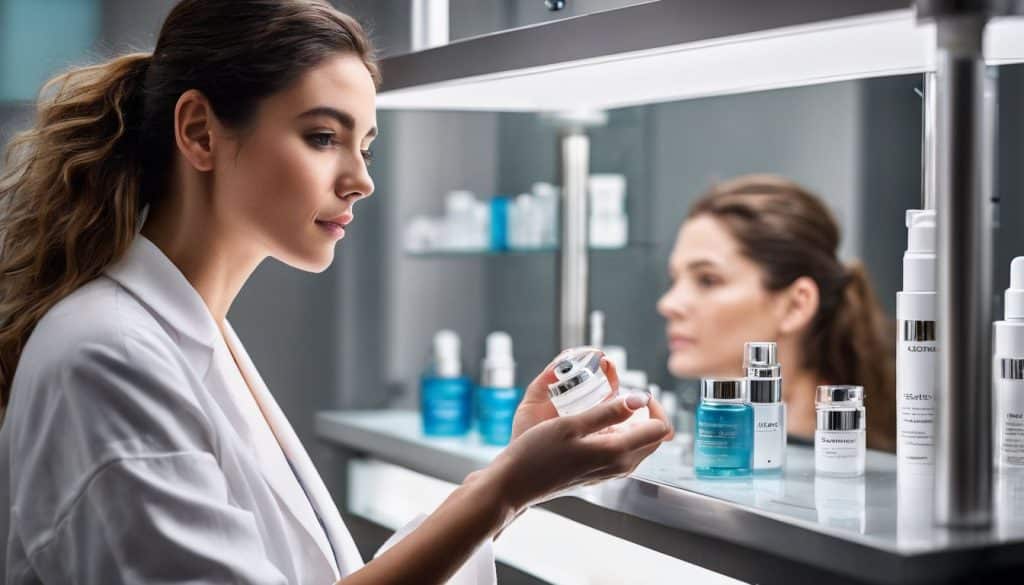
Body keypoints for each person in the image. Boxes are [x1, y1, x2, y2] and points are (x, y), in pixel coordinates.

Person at [0, 1, 673, 583]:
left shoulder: (194, 336)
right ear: (199, 131)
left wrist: (511, 473)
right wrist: (506, 488)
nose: (361, 180)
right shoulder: (106, 354)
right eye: (323, 136)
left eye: (367, 147)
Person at [657, 174, 896, 451]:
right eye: (674, 280)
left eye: (707, 280)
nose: (668, 304)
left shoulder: (843, 460)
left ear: (796, 305)